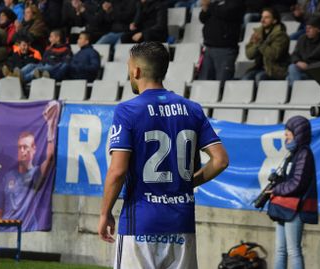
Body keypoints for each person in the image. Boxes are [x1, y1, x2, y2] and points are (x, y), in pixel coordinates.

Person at [97, 42, 229, 269]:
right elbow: (220, 160)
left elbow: (117, 171)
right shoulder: (192, 108)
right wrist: (188, 182)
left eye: (129, 67)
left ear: (136, 71)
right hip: (182, 223)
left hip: (141, 223)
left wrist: (104, 213)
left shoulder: (128, 110)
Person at [0, 102, 59, 231]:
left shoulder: (36, 174)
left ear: (34, 149)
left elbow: (50, 156)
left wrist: (50, 127)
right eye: (20, 147)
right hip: (5, 230)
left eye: (26, 147)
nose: (23, 151)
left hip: (25, 228)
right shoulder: (8, 176)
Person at [266, 115, 318, 269]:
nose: (285, 135)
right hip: (285, 208)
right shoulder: (295, 154)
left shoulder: (304, 154)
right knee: (280, 250)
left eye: (288, 132)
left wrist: (276, 189)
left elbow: (297, 184)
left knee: (293, 250)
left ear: (298, 133)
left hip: (296, 208)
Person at [197, 0, 245, 82]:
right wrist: (205, 8)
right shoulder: (215, 3)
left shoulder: (235, 3)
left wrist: (209, 5)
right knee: (204, 81)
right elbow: (203, 18)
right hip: (208, 47)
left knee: (222, 82)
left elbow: (226, 12)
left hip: (225, 49)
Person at [243, 7, 290, 84]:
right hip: (258, 68)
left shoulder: (281, 35)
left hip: (275, 70)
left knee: (259, 77)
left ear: (274, 20)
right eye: (262, 17)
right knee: (245, 79)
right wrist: (257, 45)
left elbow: (274, 55)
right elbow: (249, 55)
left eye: (266, 17)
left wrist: (260, 43)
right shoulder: (257, 33)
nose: (262, 20)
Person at [287, 16, 320, 87]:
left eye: (310, 28)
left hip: (316, 74)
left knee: (290, 75)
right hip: (302, 71)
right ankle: (297, 93)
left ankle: (296, 93)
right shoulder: (302, 39)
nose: (307, 30)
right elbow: (294, 54)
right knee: (291, 71)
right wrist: (298, 62)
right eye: (306, 28)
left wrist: (309, 66)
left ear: (318, 30)